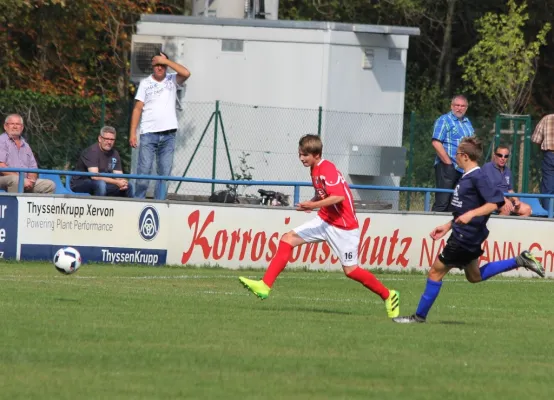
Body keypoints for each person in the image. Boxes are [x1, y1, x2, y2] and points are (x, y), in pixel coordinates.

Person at [239, 134, 400, 318]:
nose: (301, 158)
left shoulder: (327, 169)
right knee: (287, 239)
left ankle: (389, 295)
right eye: (300, 154)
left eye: (305, 155)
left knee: (351, 271)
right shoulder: (314, 169)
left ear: (316, 154)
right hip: (325, 220)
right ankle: (265, 285)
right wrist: (312, 201)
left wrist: (313, 205)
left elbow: (338, 196)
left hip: (344, 227)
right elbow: (325, 194)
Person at [393, 137, 544, 324]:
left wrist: (471, 215)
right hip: (467, 235)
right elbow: (465, 209)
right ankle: (520, 260)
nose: (454, 156)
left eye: (456, 154)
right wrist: (448, 225)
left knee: (435, 272)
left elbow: (495, 203)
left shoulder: (478, 177)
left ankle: (419, 317)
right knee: (474, 276)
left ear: (464, 156)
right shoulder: (468, 176)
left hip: (465, 237)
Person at [129, 51, 191, 200]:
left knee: (164, 174)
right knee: (143, 172)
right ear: (152, 66)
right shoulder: (145, 83)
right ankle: (138, 202)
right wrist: (132, 133)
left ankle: (159, 204)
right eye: (156, 64)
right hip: (148, 134)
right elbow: (137, 108)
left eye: (162, 65)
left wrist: (167, 61)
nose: (159, 67)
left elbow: (187, 73)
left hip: (168, 135)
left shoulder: (172, 80)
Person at [432, 95, 474, 212]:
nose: (459, 108)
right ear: (451, 106)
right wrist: (448, 163)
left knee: (455, 204)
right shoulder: (444, 120)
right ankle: (432, 227)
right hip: (447, 167)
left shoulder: (467, 122)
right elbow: (436, 142)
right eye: (457, 105)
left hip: (462, 169)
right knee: (442, 202)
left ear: (466, 108)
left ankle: (450, 229)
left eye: (462, 106)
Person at [71, 126, 134, 197]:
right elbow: (95, 176)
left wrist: (123, 183)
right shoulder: (92, 151)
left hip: (103, 183)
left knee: (128, 186)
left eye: (112, 139)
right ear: (100, 139)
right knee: (100, 184)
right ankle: (99, 207)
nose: (109, 142)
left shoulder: (115, 153)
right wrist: (116, 182)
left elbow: (119, 176)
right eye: (106, 139)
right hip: (81, 183)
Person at [0, 114, 55, 194]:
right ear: (5, 126)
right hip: (5, 179)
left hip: (25, 180)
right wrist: (22, 180)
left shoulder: (26, 145)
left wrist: (31, 180)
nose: (15, 126)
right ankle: (15, 206)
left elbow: (33, 168)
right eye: (12, 124)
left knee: (49, 185)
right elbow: (1, 166)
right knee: (16, 181)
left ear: (22, 127)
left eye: (18, 124)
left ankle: (33, 206)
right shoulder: (1, 141)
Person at [481, 145, 532, 217]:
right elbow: (490, 189)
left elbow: (510, 190)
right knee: (506, 208)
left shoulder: (508, 171)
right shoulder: (487, 167)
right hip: (491, 200)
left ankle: (513, 228)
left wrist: (516, 200)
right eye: (500, 155)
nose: (503, 158)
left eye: (506, 156)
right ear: (494, 155)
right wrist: (504, 199)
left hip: (505, 201)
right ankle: (499, 228)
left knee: (527, 209)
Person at [531, 114, 554, 209]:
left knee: (548, 187)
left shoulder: (547, 118)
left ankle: (548, 214)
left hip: (549, 155)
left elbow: (535, 139)